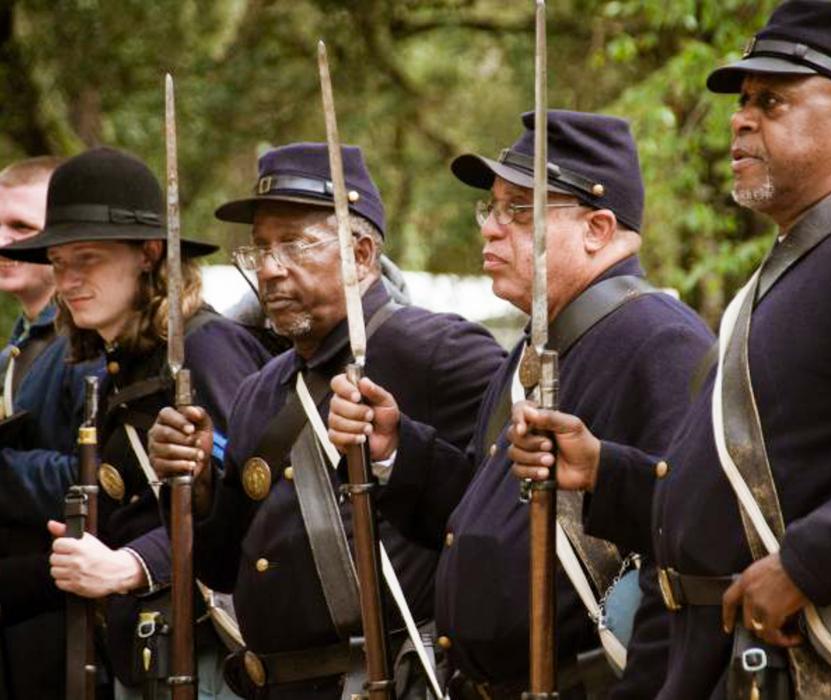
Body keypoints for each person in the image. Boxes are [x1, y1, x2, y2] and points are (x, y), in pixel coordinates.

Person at [510, 2, 831, 698]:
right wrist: (608, 474)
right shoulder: (799, 266)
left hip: (806, 667)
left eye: (772, 100)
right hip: (716, 661)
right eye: (743, 102)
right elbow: (744, 499)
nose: (741, 119)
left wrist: (808, 565)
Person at [327, 111, 713, 698]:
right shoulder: (539, 344)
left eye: (518, 210)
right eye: (492, 207)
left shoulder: (661, 342)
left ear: (598, 229)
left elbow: (691, 545)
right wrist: (398, 449)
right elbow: (491, 513)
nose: (489, 228)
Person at [146, 142, 505, 699]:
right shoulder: (259, 390)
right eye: (259, 249)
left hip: (386, 680)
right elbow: (221, 570)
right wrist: (196, 486)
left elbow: (496, 518)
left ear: (361, 255)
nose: (268, 269)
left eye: (292, 244)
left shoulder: (439, 351)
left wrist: (396, 455)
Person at [0, 146, 273, 699]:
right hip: (147, 653)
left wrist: (131, 565)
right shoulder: (120, 364)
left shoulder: (206, 347)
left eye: (88, 258)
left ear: (148, 254)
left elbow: (251, 509)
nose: (68, 279)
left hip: (215, 658)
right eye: (58, 263)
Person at [0, 155, 97, 700]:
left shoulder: (81, 344)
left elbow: (93, 476)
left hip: (65, 612)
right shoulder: (17, 347)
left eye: (20, 227)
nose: (3, 241)